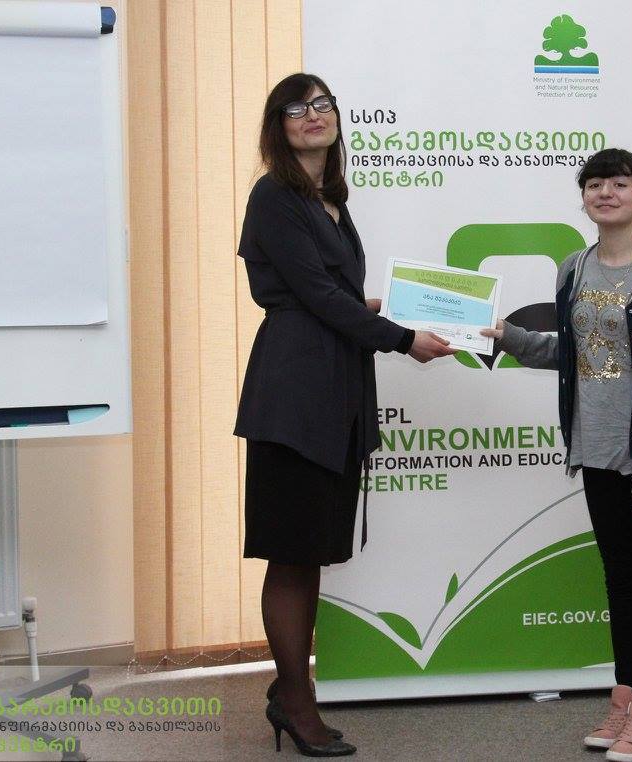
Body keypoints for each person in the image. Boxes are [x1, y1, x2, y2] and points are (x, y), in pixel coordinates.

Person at [234, 72, 455, 757]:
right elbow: (315, 298)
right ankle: (295, 700)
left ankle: (290, 691)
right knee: (292, 555)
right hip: (295, 393)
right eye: (297, 108)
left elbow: (331, 295)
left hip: (335, 386)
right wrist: (402, 338)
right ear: (278, 126)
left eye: (323, 104)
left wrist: (381, 309)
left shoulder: (331, 200)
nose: (313, 115)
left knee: (311, 553)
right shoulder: (274, 196)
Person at [481, 148, 632, 762]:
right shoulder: (573, 270)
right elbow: (572, 352)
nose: (606, 192)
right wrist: (509, 337)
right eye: (595, 184)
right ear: (584, 199)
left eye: (620, 183)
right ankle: (626, 695)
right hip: (597, 449)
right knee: (619, 579)